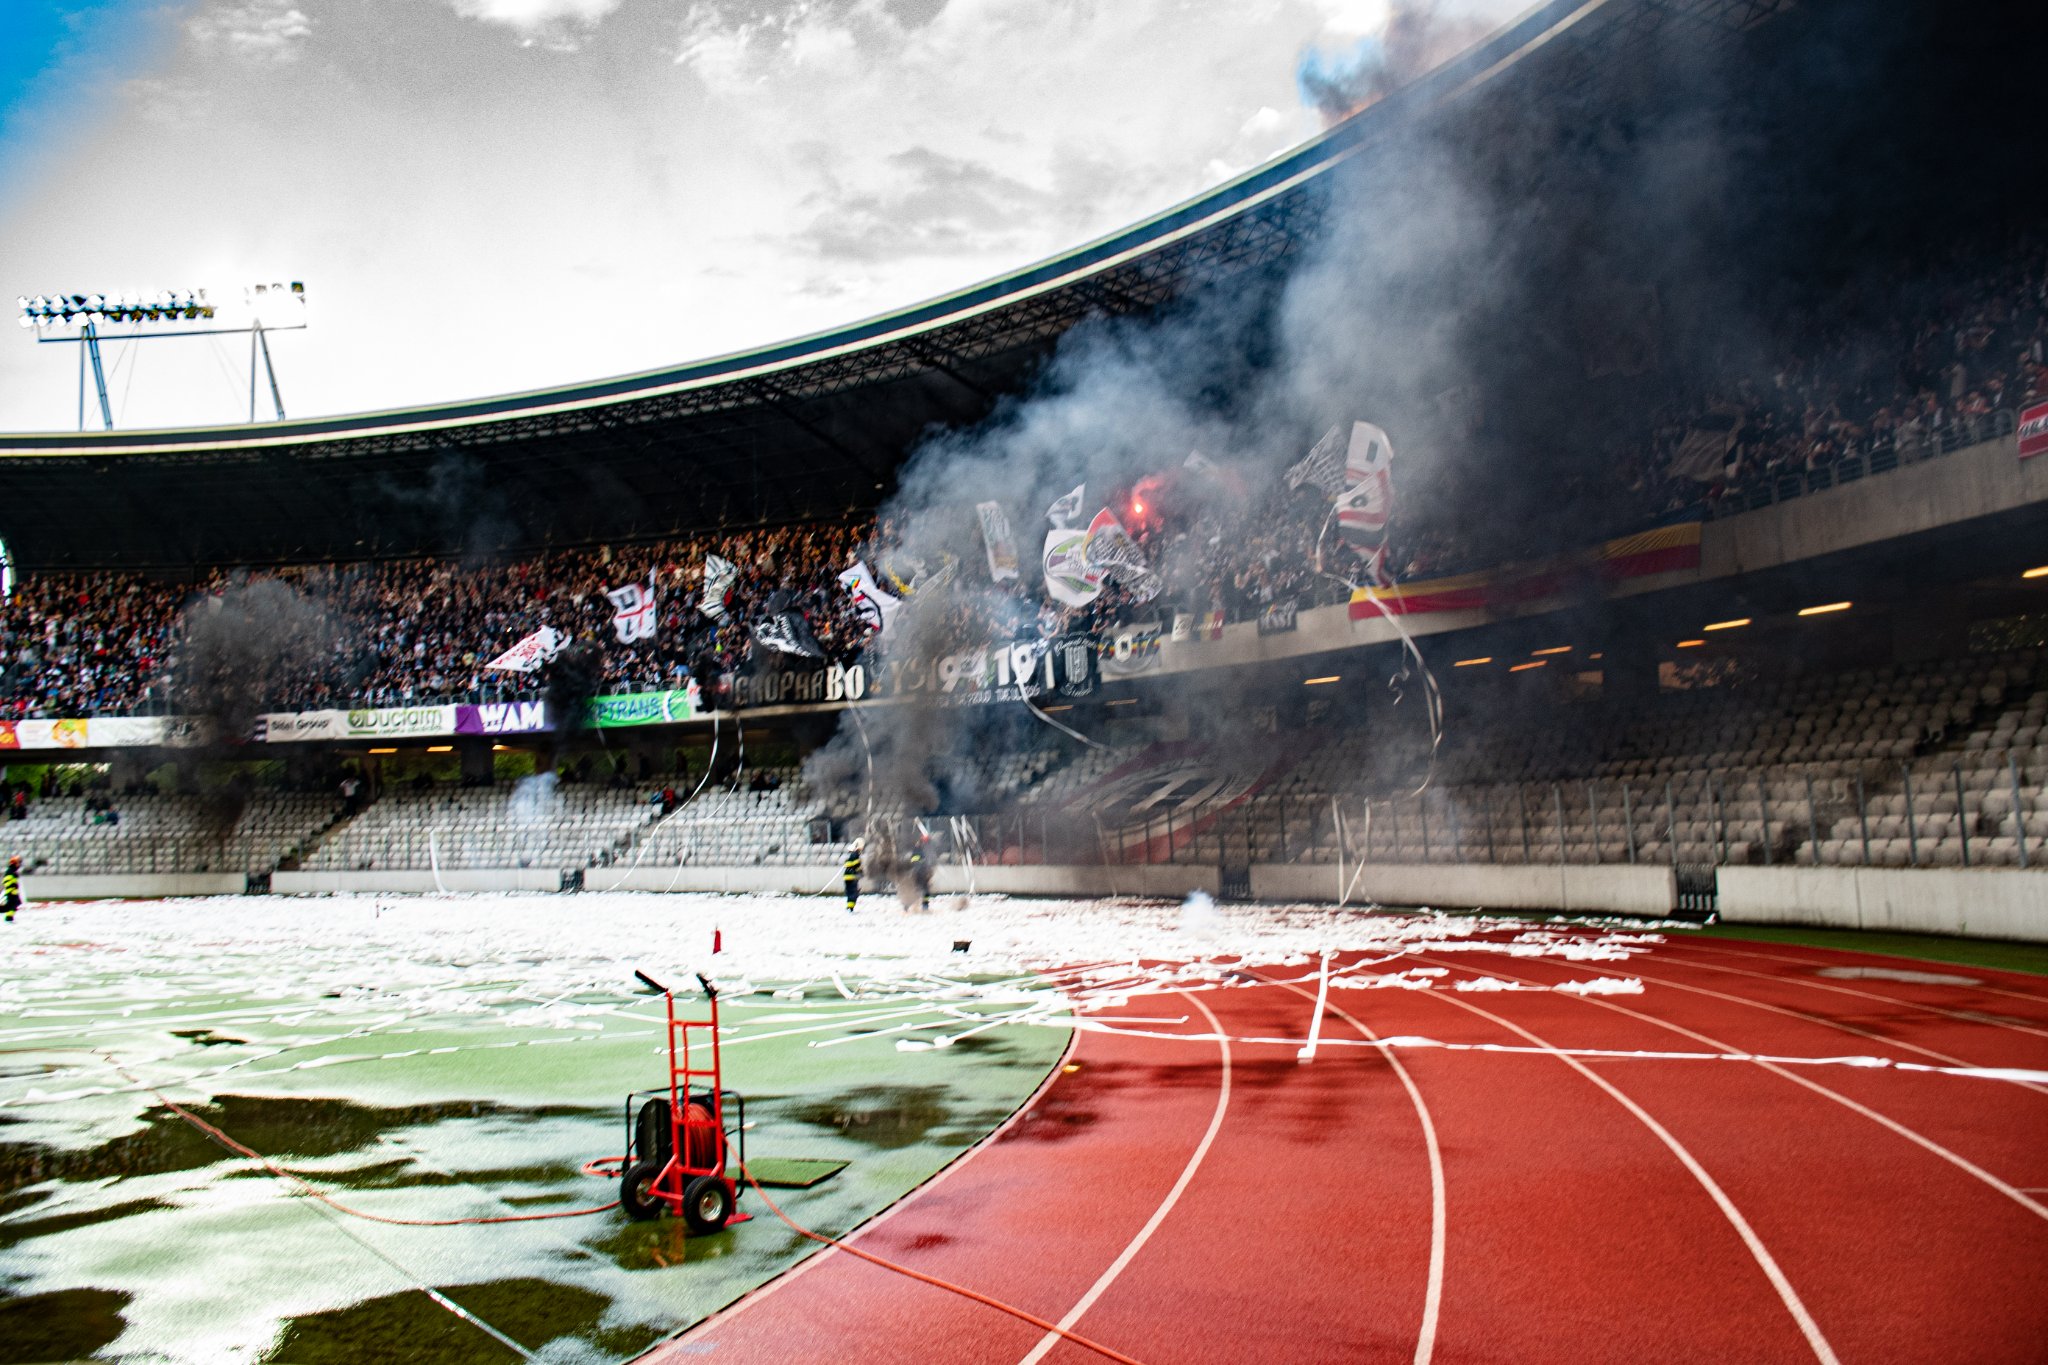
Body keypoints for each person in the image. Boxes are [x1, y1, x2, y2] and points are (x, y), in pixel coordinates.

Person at [843, 838, 864, 914]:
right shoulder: (856, 855)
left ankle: (849, 907)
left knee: (849, 892)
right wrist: (860, 871)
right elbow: (856, 865)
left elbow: (849, 864)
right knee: (853, 892)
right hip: (852, 877)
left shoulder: (851, 855)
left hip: (847, 876)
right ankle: (851, 908)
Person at [4, 856, 20, 923]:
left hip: (13, 891)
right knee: (12, 905)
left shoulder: (12, 871)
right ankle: (9, 917)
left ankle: (9, 917)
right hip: (11, 891)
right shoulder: (10, 871)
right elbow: (7, 881)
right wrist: (13, 886)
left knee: (14, 904)